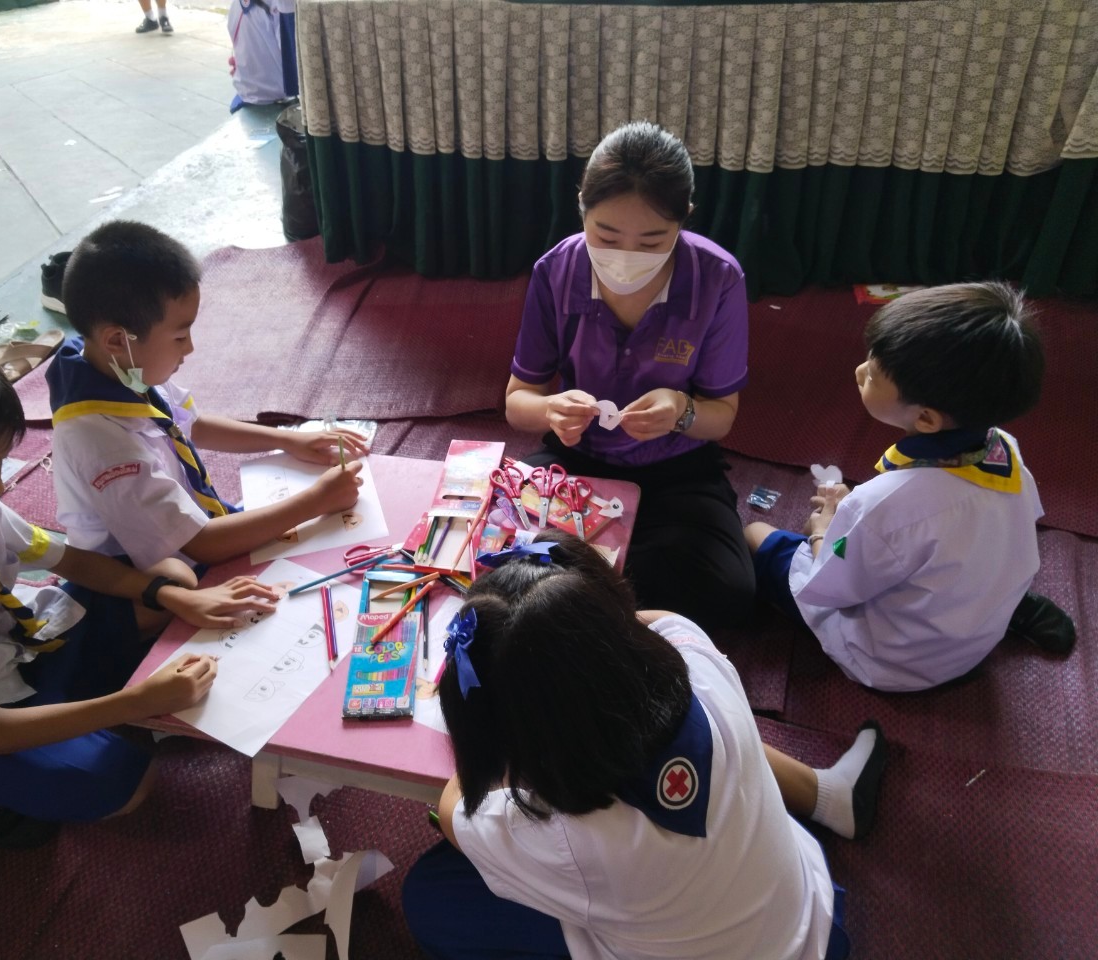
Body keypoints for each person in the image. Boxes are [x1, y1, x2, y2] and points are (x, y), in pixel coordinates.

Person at [0, 335, 277, 846]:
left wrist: (172, 597)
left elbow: (66, 558)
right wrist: (136, 703)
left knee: (172, 577)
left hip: (21, 646)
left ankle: (77, 708)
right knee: (125, 783)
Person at [403, 533, 886, 960]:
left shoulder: (568, 839)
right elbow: (641, 625)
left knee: (431, 894)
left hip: (700, 926)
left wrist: (489, 743)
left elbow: (453, 811)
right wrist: (568, 633)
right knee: (698, 729)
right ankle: (829, 797)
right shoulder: (696, 658)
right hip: (808, 917)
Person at [745, 282, 1075, 693]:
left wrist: (824, 527)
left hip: (896, 663)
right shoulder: (1005, 450)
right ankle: (1015, 610)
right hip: (977, 626)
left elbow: (835, 586)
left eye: (873, 374)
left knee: (754, 535)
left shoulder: (883, 504)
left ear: (926, 420)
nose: (859, 371)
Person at [505, 121, 753, 631]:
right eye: (606, 236)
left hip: (677, 467)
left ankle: (585, 602)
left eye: (653, 240)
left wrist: (681, 412)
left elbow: (721, 416)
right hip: (576, 460)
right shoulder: (556, 270)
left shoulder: (718, 279)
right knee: (501, 557)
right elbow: (518, 400)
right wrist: (551, 410)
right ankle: (604, 601)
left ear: (684, 218)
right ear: (581, 207)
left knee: (727, 594)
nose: (626, 257)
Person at [45, 220, 367, 571]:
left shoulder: (121, 368)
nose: (190, 348)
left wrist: (287, 440)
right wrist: (316, 501)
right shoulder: (102, 443)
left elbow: (192, 426)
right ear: (117, 340)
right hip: (139, 573)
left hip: (189, 530)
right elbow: (202, 545)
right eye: (179, 337)